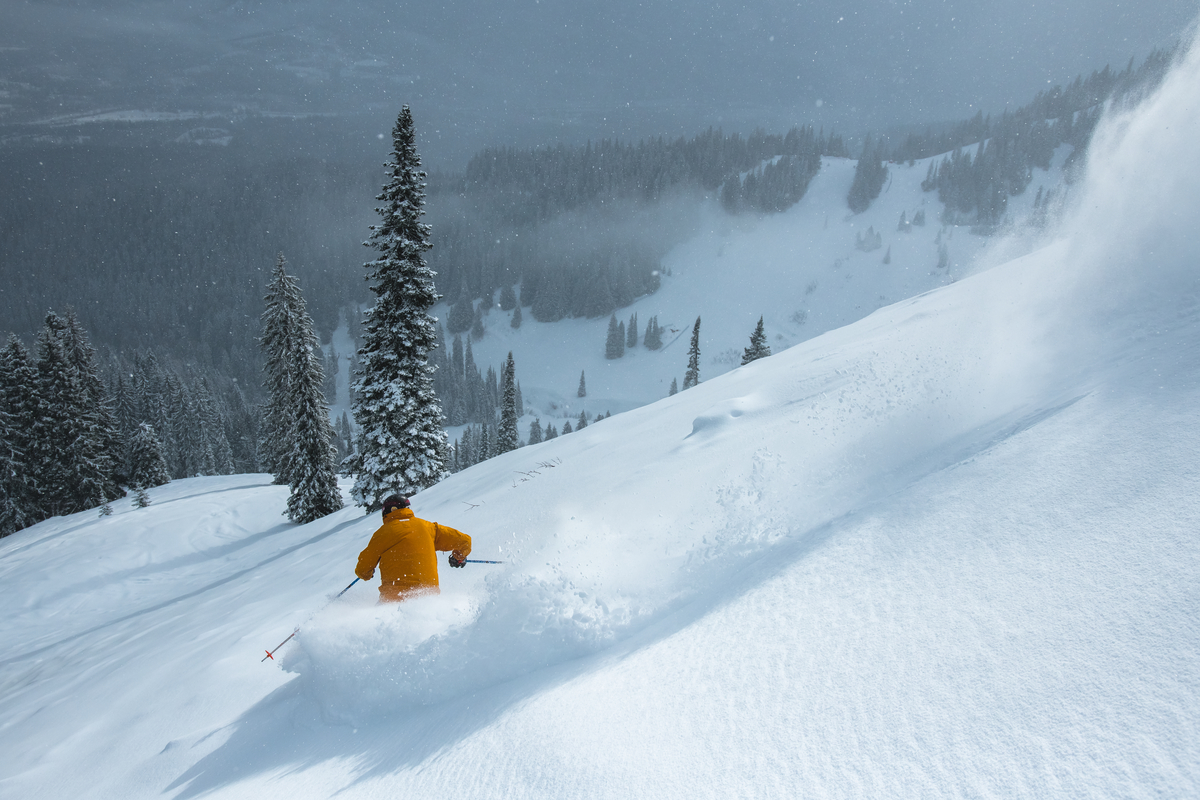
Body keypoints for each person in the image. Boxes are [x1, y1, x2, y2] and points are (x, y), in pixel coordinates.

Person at [354, 494, 472, 602]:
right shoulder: (428, 528)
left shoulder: (382, 534)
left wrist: (366, 574)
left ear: (386, 512)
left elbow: (363, 568)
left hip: (395, 599)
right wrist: (459, 557)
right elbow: (464, 541)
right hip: (430, 597)